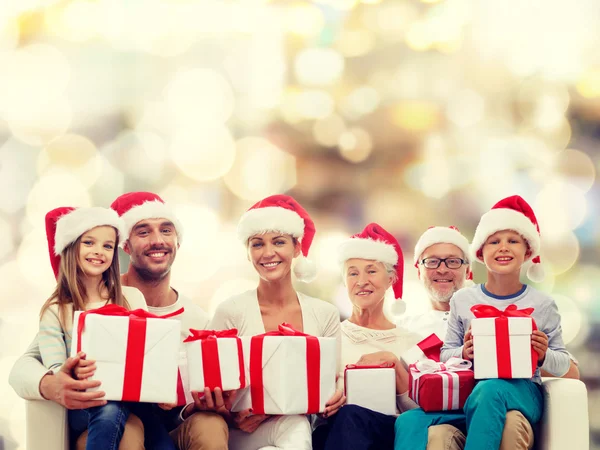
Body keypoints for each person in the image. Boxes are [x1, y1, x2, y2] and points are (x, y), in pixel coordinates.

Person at [10, 192, 218, 450]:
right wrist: (51, 382)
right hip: (103, 412)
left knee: (207, 426)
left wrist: (182, 401)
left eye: (166, 230)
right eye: (143, 232)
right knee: (126, 429)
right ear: (126, 245)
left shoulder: (197, 318)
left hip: (161, 417)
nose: (157, 240)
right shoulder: (73, 306)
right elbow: (27, 364)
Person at [394, 195, 571, 450]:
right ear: (479, 252)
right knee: (410, 419)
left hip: (524, 392)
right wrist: (464, 353)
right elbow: (446, 353)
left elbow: (564, 363)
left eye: (513, 241)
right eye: (494, 242)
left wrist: (543, 356)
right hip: (471, 393)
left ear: (528, 251)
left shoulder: (543, 303)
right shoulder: (463, 300)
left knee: (490, 390)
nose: (503, 248)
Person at [210, 194, 343, 450]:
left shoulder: (324, 313)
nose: (268, 253)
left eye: (279, 242)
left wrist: (338, 397)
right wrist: (232, 418)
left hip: (303, 430)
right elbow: (209, 384)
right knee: (294, 427)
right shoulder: (230, 311)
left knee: (294, 426)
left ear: (297, 248)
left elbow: (335, 382)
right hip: (242, 433)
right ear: (248, 253)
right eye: (257, 244)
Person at [39, 206, 151, 449]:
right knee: (109, 408)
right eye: (89, 242)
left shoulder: (132, 298)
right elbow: (57, 370)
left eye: (108, 246)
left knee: (159, 438)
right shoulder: (56, 310)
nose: (99, 251)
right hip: (86, 403)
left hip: (133, 399)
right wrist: (73, 371)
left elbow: (148, 352)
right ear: (71, 247)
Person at [312, 222, 422, 450]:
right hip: (333, 433)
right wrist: (327, 402)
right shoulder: (328, 337)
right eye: (353, 273)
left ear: (391, 279)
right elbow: (311, 406)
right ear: (345, 282)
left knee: (351, 415)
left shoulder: (411, 342)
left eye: (371, 271)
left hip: (387, 436)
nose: (361, 281)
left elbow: (418, 413)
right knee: (341, 419)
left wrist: (394, 364)